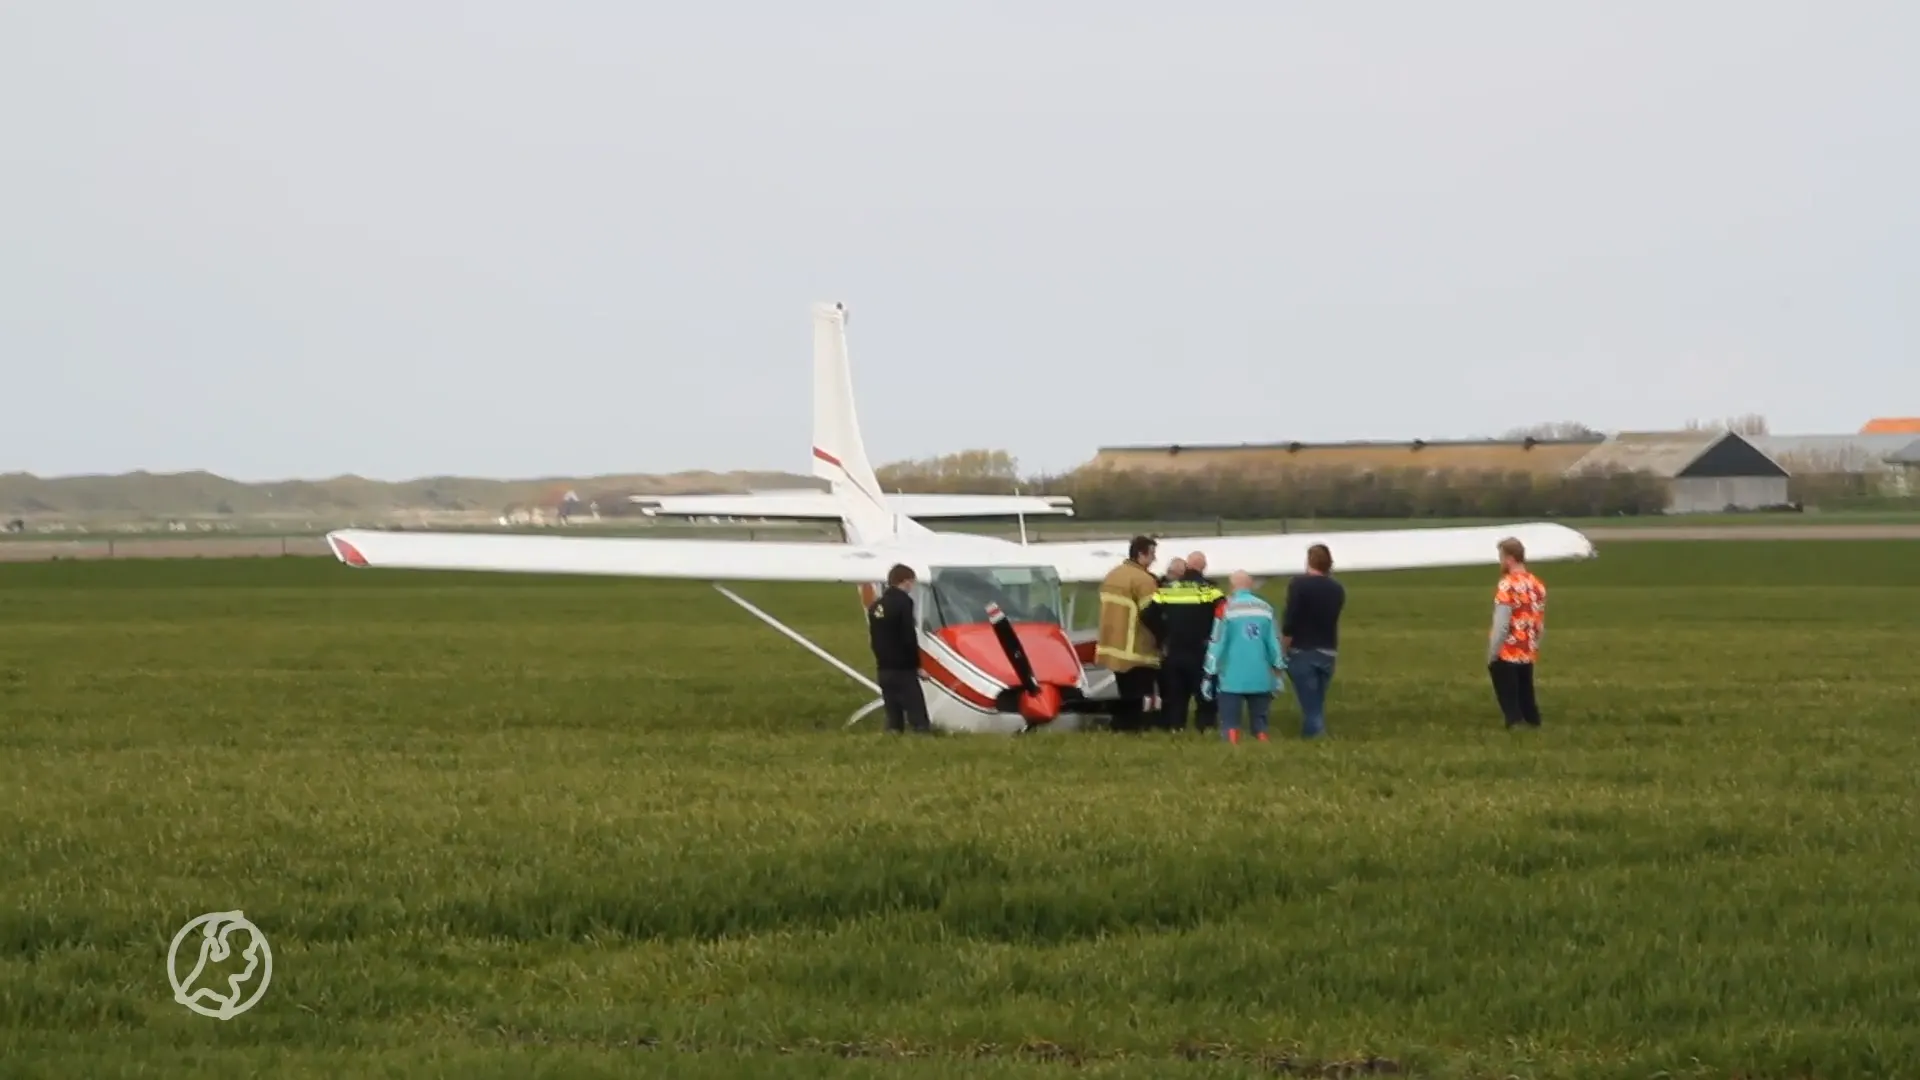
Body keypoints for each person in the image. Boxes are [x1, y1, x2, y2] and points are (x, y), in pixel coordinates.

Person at [1144, 550, 1226, 732]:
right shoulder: (1212, 592)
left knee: (1176, 694)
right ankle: (1205, 727)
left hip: (1174, 649)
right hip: (1202, 651)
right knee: (1204, 694)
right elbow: (1224, 618)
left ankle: (1176, 727)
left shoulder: (1167, 590)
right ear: (1204, 567)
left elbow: (1147, 615)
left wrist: (1163, 636)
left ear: (1186, 567)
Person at [1201, 570, 1284, 743]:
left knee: (1230, 722)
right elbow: (1274, 643)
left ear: (1232, 586)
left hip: (1231, 678)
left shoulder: (1226, 609)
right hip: (1260, 676)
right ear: (1251, 585)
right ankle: (1262, 742)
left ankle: (1232, 744)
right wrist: (1278, 671)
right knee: (1260, 721)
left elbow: (1217, 643)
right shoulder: (1265, 608)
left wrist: (1209, 673)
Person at [1096, 535, 1163, 733]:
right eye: (1152, 554)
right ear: (1141, 554)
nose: (1154, 559)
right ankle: (1140, 726)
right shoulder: (1144, 580)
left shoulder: (1113, 575)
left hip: (1113, 648)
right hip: (1136, 649)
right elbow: (1151, 614)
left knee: (1125, 692)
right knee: (1142, 695)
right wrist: (1163, 639)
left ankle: (1122, 726)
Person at [1281, 543, 1345, 738]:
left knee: (1311, 704)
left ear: (1309, 561)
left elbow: (1291, 618)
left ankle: (1317, 736)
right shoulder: (1336, 588)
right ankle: (1311, 735)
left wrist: (1283, 647)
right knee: (1315, 700)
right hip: (1328, 650)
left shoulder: (1299, 585)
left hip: (1303, 649)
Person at [1486, 537, 1546, 729]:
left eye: (1501, 557)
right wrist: (1534, 645)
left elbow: (1502, 623)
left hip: (1508, 650)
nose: (1500, 562)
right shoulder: (1536, 584)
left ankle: (1515, 723)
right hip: (1527, 649)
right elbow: (1539, 622)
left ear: (1510, 558)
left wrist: (1493, 652)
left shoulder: (1507, 585)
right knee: (1526, 693)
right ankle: (1533, 722)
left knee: (1509, 695)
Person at [867, 563, 932, 733]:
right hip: (903, 668)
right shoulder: (904, 602)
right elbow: (908, 636)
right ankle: (921, 734)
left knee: (892, 710)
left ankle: (894, 733)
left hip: (883, 667)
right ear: (906, 581)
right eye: (912, 582)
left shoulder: (876, 606)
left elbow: (874, 637)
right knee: (916, 709)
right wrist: (917, 665)